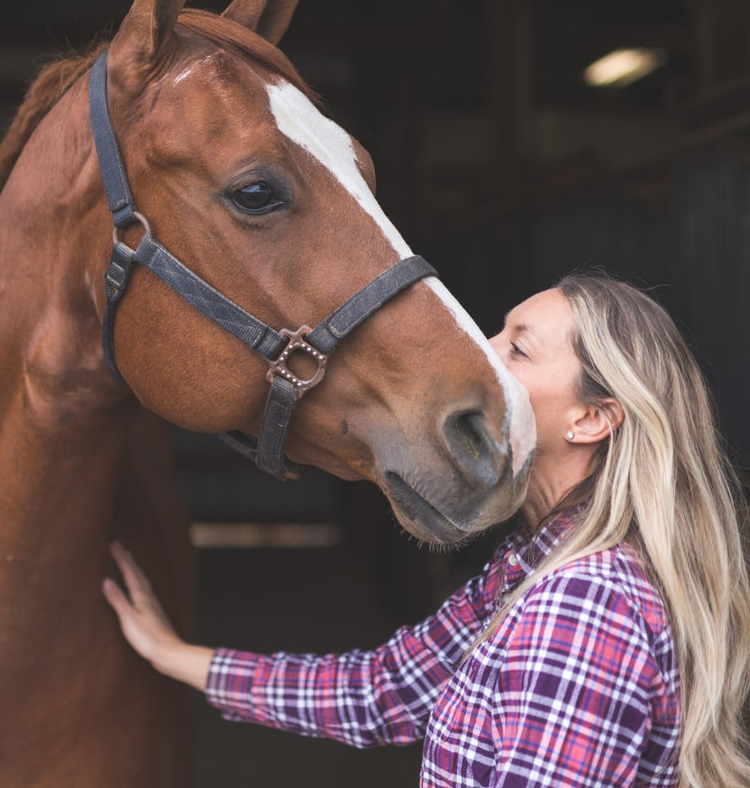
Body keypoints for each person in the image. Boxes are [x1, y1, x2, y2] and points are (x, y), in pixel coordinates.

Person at [103, 272, 750, 788]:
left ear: (591, 420)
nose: (480, 350)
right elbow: (383, 691)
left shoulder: (582, 605)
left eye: (518, 347)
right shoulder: (530, 568)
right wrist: (177, 656)